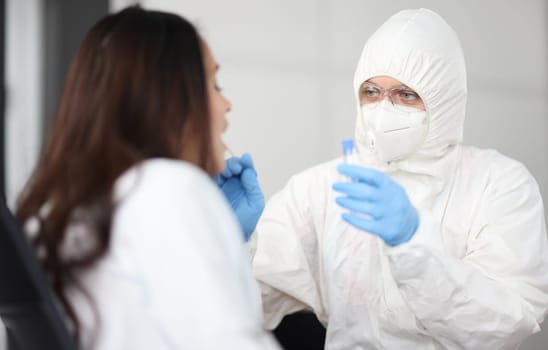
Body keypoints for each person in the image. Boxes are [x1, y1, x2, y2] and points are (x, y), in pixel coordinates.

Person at [246, 8, 548, 349]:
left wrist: (413, 246)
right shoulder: (324, 187)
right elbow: (247, 305)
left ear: (443, 101)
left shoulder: (498, 184)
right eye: (372, 92)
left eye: (407, 95)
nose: (384, 110)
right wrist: (232, 241)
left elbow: (505, 326)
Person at [15, 6, 279, 349]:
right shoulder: (166, 187)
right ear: (169, 101)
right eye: (213, 84)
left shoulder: (54, 213)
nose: (226, 104)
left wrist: (226, 238)